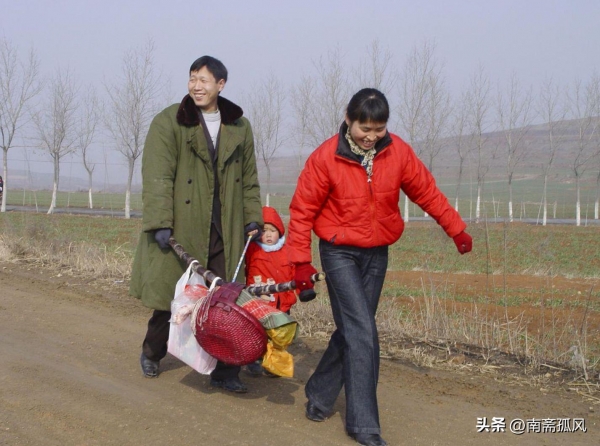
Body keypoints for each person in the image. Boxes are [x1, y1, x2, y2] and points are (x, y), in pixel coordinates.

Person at [287, 88, 473, 446]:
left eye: (379, 129)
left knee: (355, 330)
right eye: (364, 128)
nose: (371, 136)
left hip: (377, 253)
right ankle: (363, 425)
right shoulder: (326, 157)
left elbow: (426, 191)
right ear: (348, 120)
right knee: (362, 333)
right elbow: (302, 210)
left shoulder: (397, 151)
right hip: (339, 252)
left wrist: (455, 228)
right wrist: (300, 263)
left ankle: (320, 394)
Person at [129, 55, 263, 394]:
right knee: (173, 298)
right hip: (183, 224)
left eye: (204, 80)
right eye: (192, 78)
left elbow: (249, 178)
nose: (196, 86)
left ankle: (225, 371)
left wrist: (252, 216)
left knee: (226, 300)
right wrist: (160, 221)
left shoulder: (239, 127)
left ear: (221, 84)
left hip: (226, 226)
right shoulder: (170, 122)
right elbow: (157, 176)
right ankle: (153, 352)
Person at [243, 205, 297, 376]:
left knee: (278, 335)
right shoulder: (251, 249)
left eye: (272, 231)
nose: (268, 235)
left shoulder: (287, 251)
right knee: (256, 332)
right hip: (259, 302)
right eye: (264, 230)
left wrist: (302, 289)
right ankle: (254, 360)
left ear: (280, 232)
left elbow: (295, 273)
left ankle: (274, 365)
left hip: (282, 303)